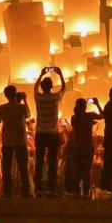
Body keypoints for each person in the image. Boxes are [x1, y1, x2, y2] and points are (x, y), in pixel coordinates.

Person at [33, 66, 66, 197]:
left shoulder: (38, 98)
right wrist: (60, 74)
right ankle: (50, 189)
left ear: (42, 86)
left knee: (39, 161)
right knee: (52, 162)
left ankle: (38, 189)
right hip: (53, 133)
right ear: (52, 87)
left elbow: (34, 89)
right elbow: (64, 88)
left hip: (40, 132)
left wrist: (41, 74)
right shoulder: (55, 98)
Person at [0, 84, 32, 198]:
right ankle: (26, 191)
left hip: (7, 141)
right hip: (20, 140)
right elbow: (28, 114)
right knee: (23, 167)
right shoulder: (21, 107)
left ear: (5, 95)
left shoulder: (2, 108)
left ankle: (7, 191)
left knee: (6, 168)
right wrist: (25, 100)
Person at [65, 97, 99, 197]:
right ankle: (85, 192)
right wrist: (96, 104)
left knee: (77, 169)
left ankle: (76, 190)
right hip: (87, 146)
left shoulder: (73, 118)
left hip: (77, 145)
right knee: (86, 170)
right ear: (85, 106)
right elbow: (103, 115)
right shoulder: (89, 116)